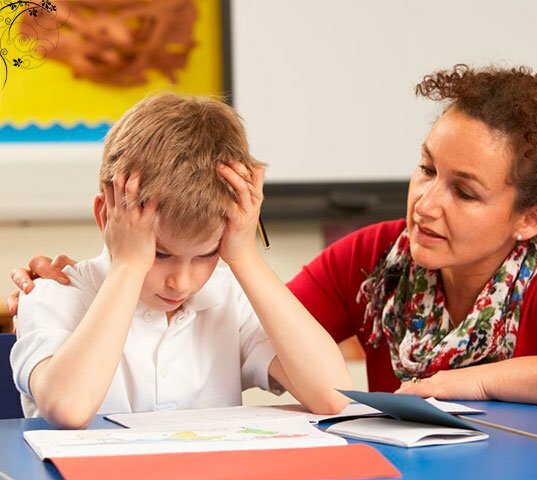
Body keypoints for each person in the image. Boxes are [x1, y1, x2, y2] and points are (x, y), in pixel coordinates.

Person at [9, 64, 537, 412]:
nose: (426, 202)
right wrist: (122, 270)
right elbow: (291, 340)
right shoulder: (376, 258)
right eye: (425, 169)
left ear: (530, 218)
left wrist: (482, 379)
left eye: (465, 191)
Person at [8, 93, 352, 429]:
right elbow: (68, 408)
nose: (181, 282)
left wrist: (245, 256)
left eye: (206, 254)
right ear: (106, 216)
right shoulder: (52, 293)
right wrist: (129, 266)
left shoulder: (230, 299)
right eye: (160, 254)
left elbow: (335, 396)